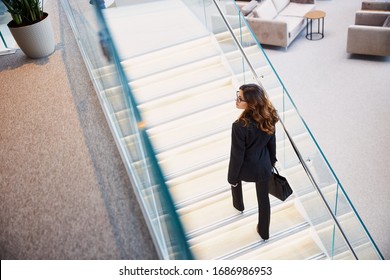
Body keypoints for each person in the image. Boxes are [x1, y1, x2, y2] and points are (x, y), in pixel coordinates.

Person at [227, 83, 279, 240]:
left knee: (234, 180)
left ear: (250, 103)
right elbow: (272, 144)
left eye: (240, 98)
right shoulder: (270, 117)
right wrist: (271, 163)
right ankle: (264, 232)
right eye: (238, 95)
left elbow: (237, 155)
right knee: (264, 200)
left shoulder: (239, 126)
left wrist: (232, 177)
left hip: (245, 169)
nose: (237, 100)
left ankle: (239, 205)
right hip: (263, 166)